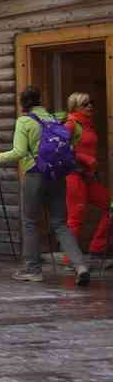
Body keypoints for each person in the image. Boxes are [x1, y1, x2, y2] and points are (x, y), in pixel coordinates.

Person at [0, 86, 90, 285]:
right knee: (60, 223)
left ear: (23, 103)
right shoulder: (55, 118)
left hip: (35, 174)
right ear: (40, 100)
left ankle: (32, 269)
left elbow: (18, 152)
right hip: (58, 175)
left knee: (30, 221)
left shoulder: (25, 121)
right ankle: (80, 265)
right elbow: (75, 132)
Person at [64, 92, 110, 269]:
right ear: (75, 107)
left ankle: (96, 250)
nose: (90, 106)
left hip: (90, 177)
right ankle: (71, 261)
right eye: (85, 104)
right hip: (75, 177)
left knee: (110, 207)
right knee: (75, 218)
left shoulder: (89, 126)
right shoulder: (70, 125)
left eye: (91, 102)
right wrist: (84, 158)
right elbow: (63, 149)